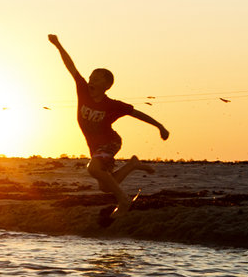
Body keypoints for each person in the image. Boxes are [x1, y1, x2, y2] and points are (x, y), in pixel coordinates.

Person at [48, 34, 170, 228]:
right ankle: (132, 165)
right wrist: (58, 45)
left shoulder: (112, 104)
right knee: (105, 186)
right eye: (90, 77)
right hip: (95, 147)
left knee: (93, 168)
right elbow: (70, 66)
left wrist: (160, 126)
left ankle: (123, 200)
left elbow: (137, 113)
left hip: (110, 142)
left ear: (107, 85)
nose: (90, 80)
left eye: (96, 79)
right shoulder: (82, 90)